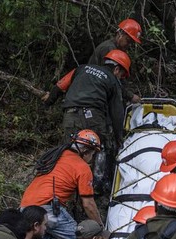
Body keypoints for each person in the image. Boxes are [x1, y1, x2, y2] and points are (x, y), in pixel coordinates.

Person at [42, 50, 130, 194]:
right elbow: (117, 113)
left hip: (70, 115)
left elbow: (60, 85)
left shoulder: (81, 69)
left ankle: (66, 187)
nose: (120, 78)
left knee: (70, 150)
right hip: (93, 117)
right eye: (121, 75)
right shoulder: (112, 80)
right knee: (99, 149)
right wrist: (119, 137)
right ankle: (95, 188)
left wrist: (48, 102)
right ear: (116, 69)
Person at [20, 129, 103, 239]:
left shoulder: (56, 157)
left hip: (26, 208)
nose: (92, 158)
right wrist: (99, 228)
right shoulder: (82, 167)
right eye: (92, 154)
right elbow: (88, 204)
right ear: (86, 151)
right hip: (48, 208)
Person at [88, 18, 142, 104]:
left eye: (131, 43)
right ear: (119, 34)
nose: (128, 45)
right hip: (95, 91)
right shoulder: (109, 49)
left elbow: (120, 78)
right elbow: (112, 79)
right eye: (128, 41)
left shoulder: (117, 49)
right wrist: (130, 96)